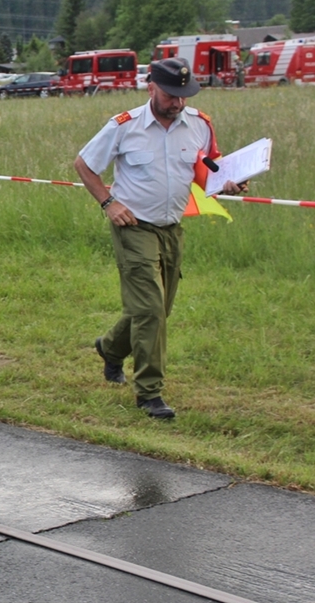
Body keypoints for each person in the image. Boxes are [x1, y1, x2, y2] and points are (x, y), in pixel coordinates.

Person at [73, 57, 246, 420]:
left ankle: (110, 348)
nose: (177, 103)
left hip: (171, 228)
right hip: (133, 226)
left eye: (184, 95)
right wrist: (108, 202)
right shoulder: (125, 126)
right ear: (150, 87)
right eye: (171, 95)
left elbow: (207, 171)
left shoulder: (199, 125)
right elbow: (84, 165)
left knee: (157, 309)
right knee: (150, 310)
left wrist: (228, 182)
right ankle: (149, 393)